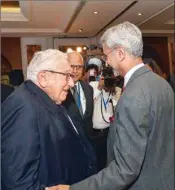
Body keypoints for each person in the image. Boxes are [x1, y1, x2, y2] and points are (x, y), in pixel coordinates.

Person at [56, 21, 174, 190]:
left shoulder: (133, 94)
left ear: (120, 53)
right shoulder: (161, 84)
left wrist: (72, 189)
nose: (107, 62)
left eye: (107, 55)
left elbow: (125, 170)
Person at [1, 49, 97, 190]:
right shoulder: (23, 107)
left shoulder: (49, 98)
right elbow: (18, 180)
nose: (71, 83)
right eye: (66, 75)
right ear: (43, 78)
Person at [89, 66, 121, 171]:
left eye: (110, 78)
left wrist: (112, 88)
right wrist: (99, 87)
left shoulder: (116, 90)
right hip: (95, 133)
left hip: (110, 132)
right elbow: (89, 104)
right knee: (97, 162)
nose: (107, 81)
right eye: (105, 78)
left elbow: (118, 108)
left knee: (110, 161)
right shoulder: (92, 86)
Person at [63, 51, 94, 142]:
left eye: (79, 67)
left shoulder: (89, 89)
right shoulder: (59, 91)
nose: (75, 71)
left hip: (87, 142)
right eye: (72, 66)